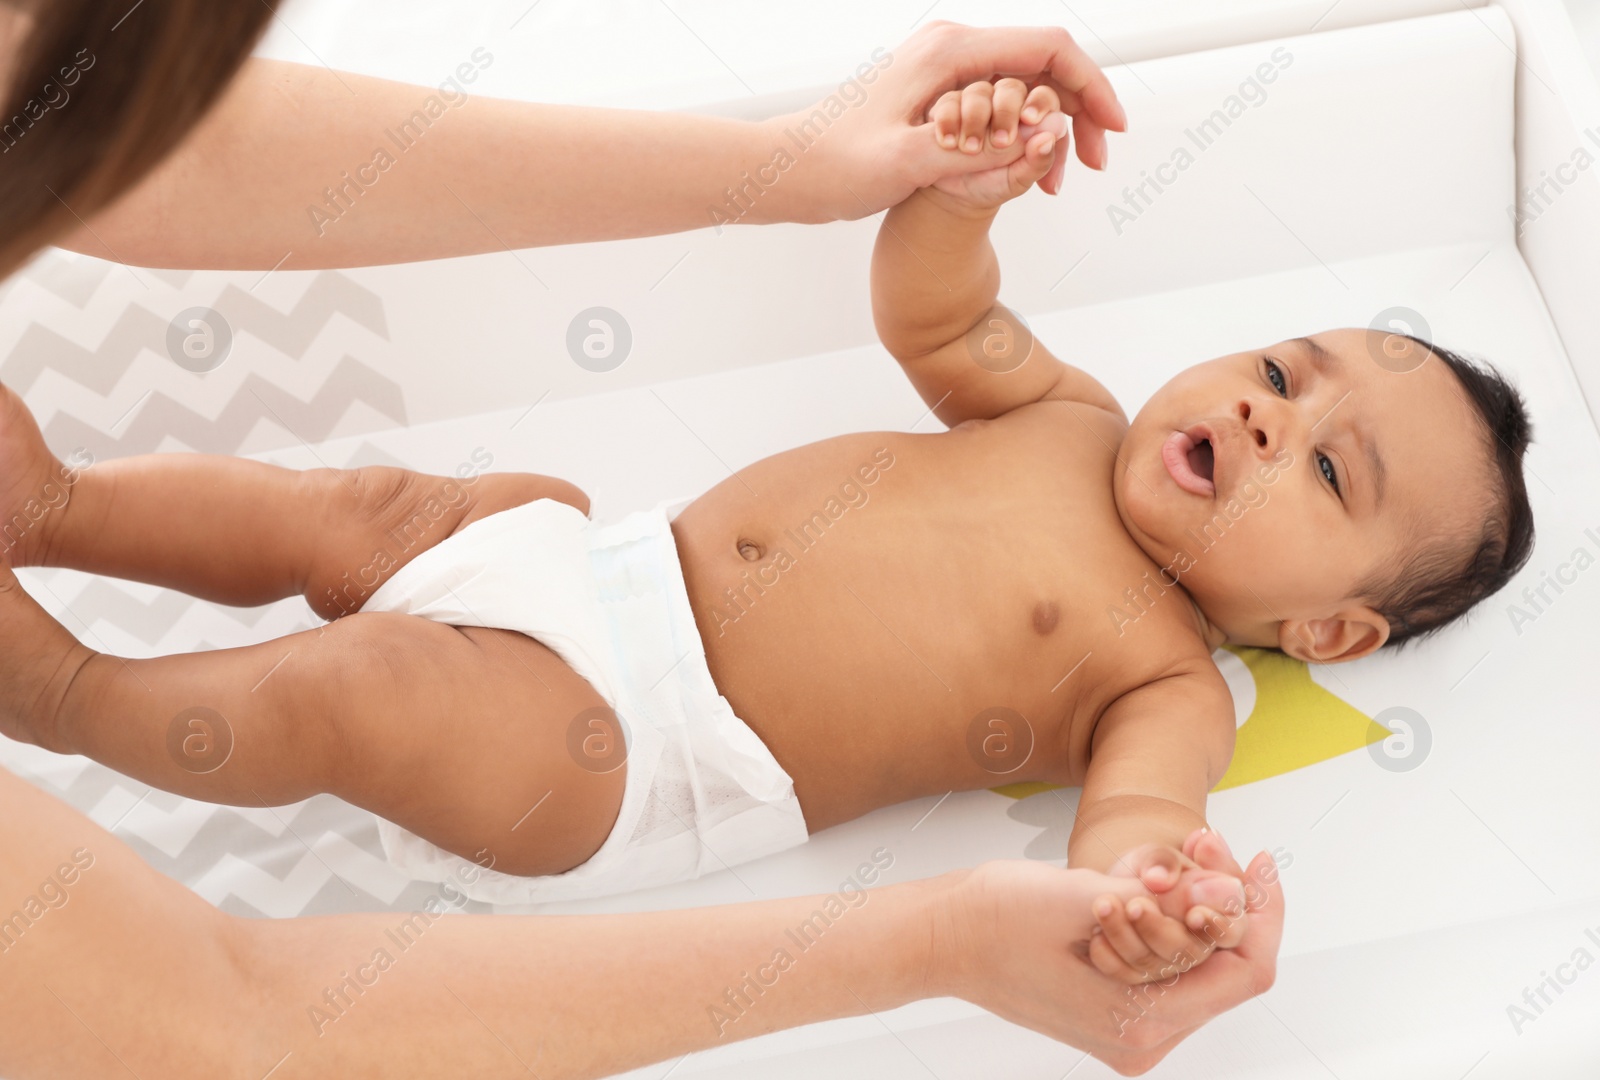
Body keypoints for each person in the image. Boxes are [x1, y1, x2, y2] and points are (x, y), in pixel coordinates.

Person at [0, 4, 1283, 1075]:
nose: (1268, 420)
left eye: (1333, 470)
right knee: (363, 512)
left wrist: (1145, 906)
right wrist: (966, 192)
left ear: (1329, 624)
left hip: (628, 751)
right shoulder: (1068, 414)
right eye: (1284, 372)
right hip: (595, 562)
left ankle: (65, 692)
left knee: (360, 686)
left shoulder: (1168, 677)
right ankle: (57, 507)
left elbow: (1136, 818)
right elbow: (939, 319)